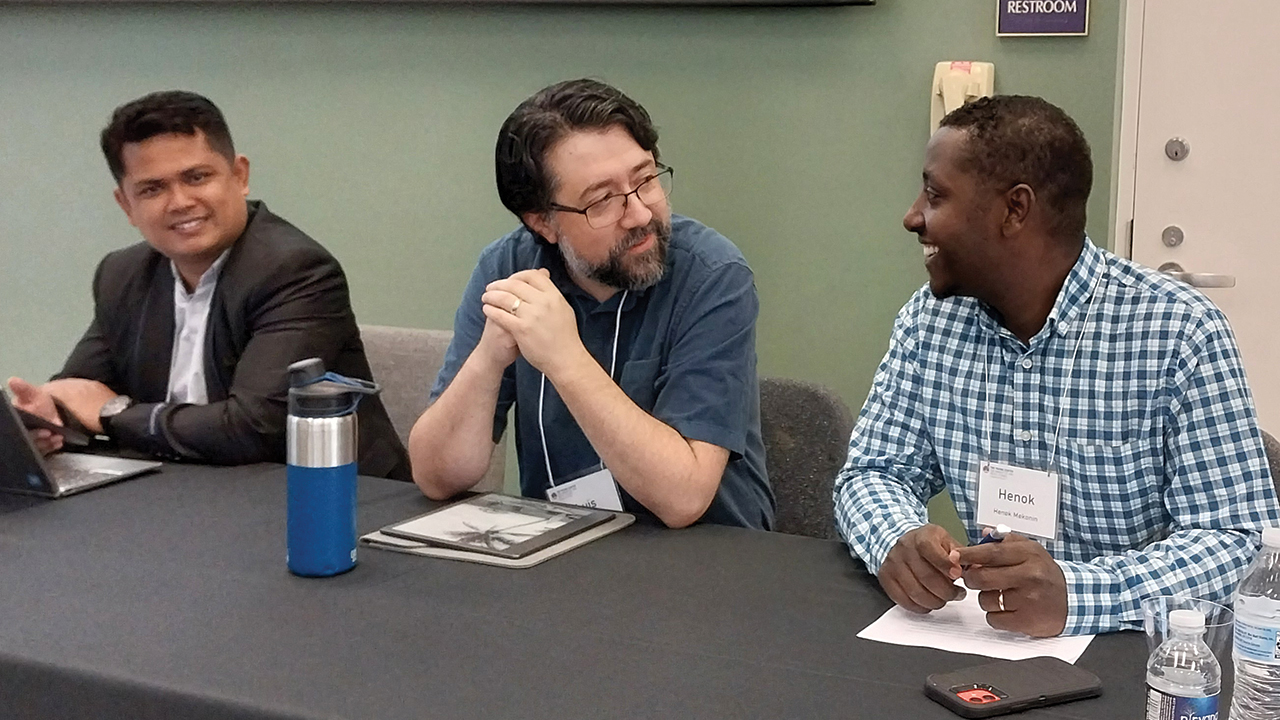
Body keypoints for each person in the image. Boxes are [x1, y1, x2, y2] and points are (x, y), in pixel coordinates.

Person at [833, 95, 1280, 637]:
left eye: (935, 195)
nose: (913, 217)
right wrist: (896, 539)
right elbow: (873, 472)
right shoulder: (930, 323)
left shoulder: (1178, 333)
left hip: (1143, 662)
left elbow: (1237, 542)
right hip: (985, 651)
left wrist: (1080, 595)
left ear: (1014, 210)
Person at [410, 79, 773, 529]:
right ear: (542, 222)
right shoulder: (507, 268)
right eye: (602, 201)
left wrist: (564, 358)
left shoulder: (713, 275)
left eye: (645, 181)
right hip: (562, 556)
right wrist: (488, 357)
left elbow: (685, 497)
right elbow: (436, 477)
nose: (640, 214)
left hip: (706, 561)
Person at [6, 90, 410, 479]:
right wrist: (46, 417)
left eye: (196, 177)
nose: (180, 201)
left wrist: (113, 413)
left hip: (325, 498)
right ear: (126, 205)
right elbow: (80, 390)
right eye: (152, 188)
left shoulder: (296, 271)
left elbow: (253, 428)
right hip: (187, 491)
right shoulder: (121, 275)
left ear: (239, 175)